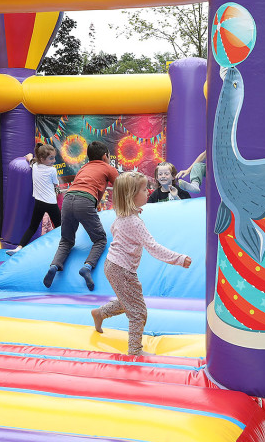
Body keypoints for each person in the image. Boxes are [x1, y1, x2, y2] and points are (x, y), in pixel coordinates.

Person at [90, 172, 192, 356]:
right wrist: (178, 259)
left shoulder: (121, 216)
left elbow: (116, 230)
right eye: (144, 190)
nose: (149, 192)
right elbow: (153, 248)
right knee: (138, 312)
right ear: (131, 196)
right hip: (123, 270)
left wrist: (134, 211)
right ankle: (135, 350)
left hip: (112, 265)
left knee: (127, 301)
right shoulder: (134, 223)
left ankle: (100, 313)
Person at [43, 140, 118, 290]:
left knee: (66, 240)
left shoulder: (84, 167)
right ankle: (87, 266)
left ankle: (54, 265)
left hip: (68, 199)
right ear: (105, 156)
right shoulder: (108, 168)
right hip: (85, 201)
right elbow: (122, 186)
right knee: (100, 239)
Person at [6, 143, 61, 256]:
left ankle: (19, 248)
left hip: (39, 203)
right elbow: (56, 183)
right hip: (50, 203)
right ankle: (65, 247)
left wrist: (30, 156)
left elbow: (30, 158)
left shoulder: (35, 166)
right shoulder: (52, 170)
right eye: (51, 158)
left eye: (54, 157)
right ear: (42, 158)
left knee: (32, 226)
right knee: (60, 227)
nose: (54, 160)